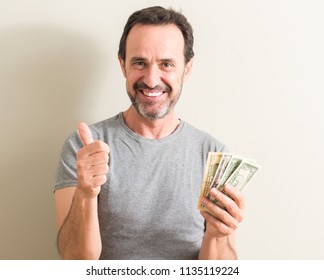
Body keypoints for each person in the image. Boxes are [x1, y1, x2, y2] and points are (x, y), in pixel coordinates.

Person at [54, 6, 245, 260]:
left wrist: (217, 234)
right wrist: (86, 195)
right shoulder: (83, 147)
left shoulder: (214, 155)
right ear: (123, 65)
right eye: (139, 63)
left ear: (186, 69)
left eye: (166, 64)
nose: (152, 79)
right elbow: (73, 262)